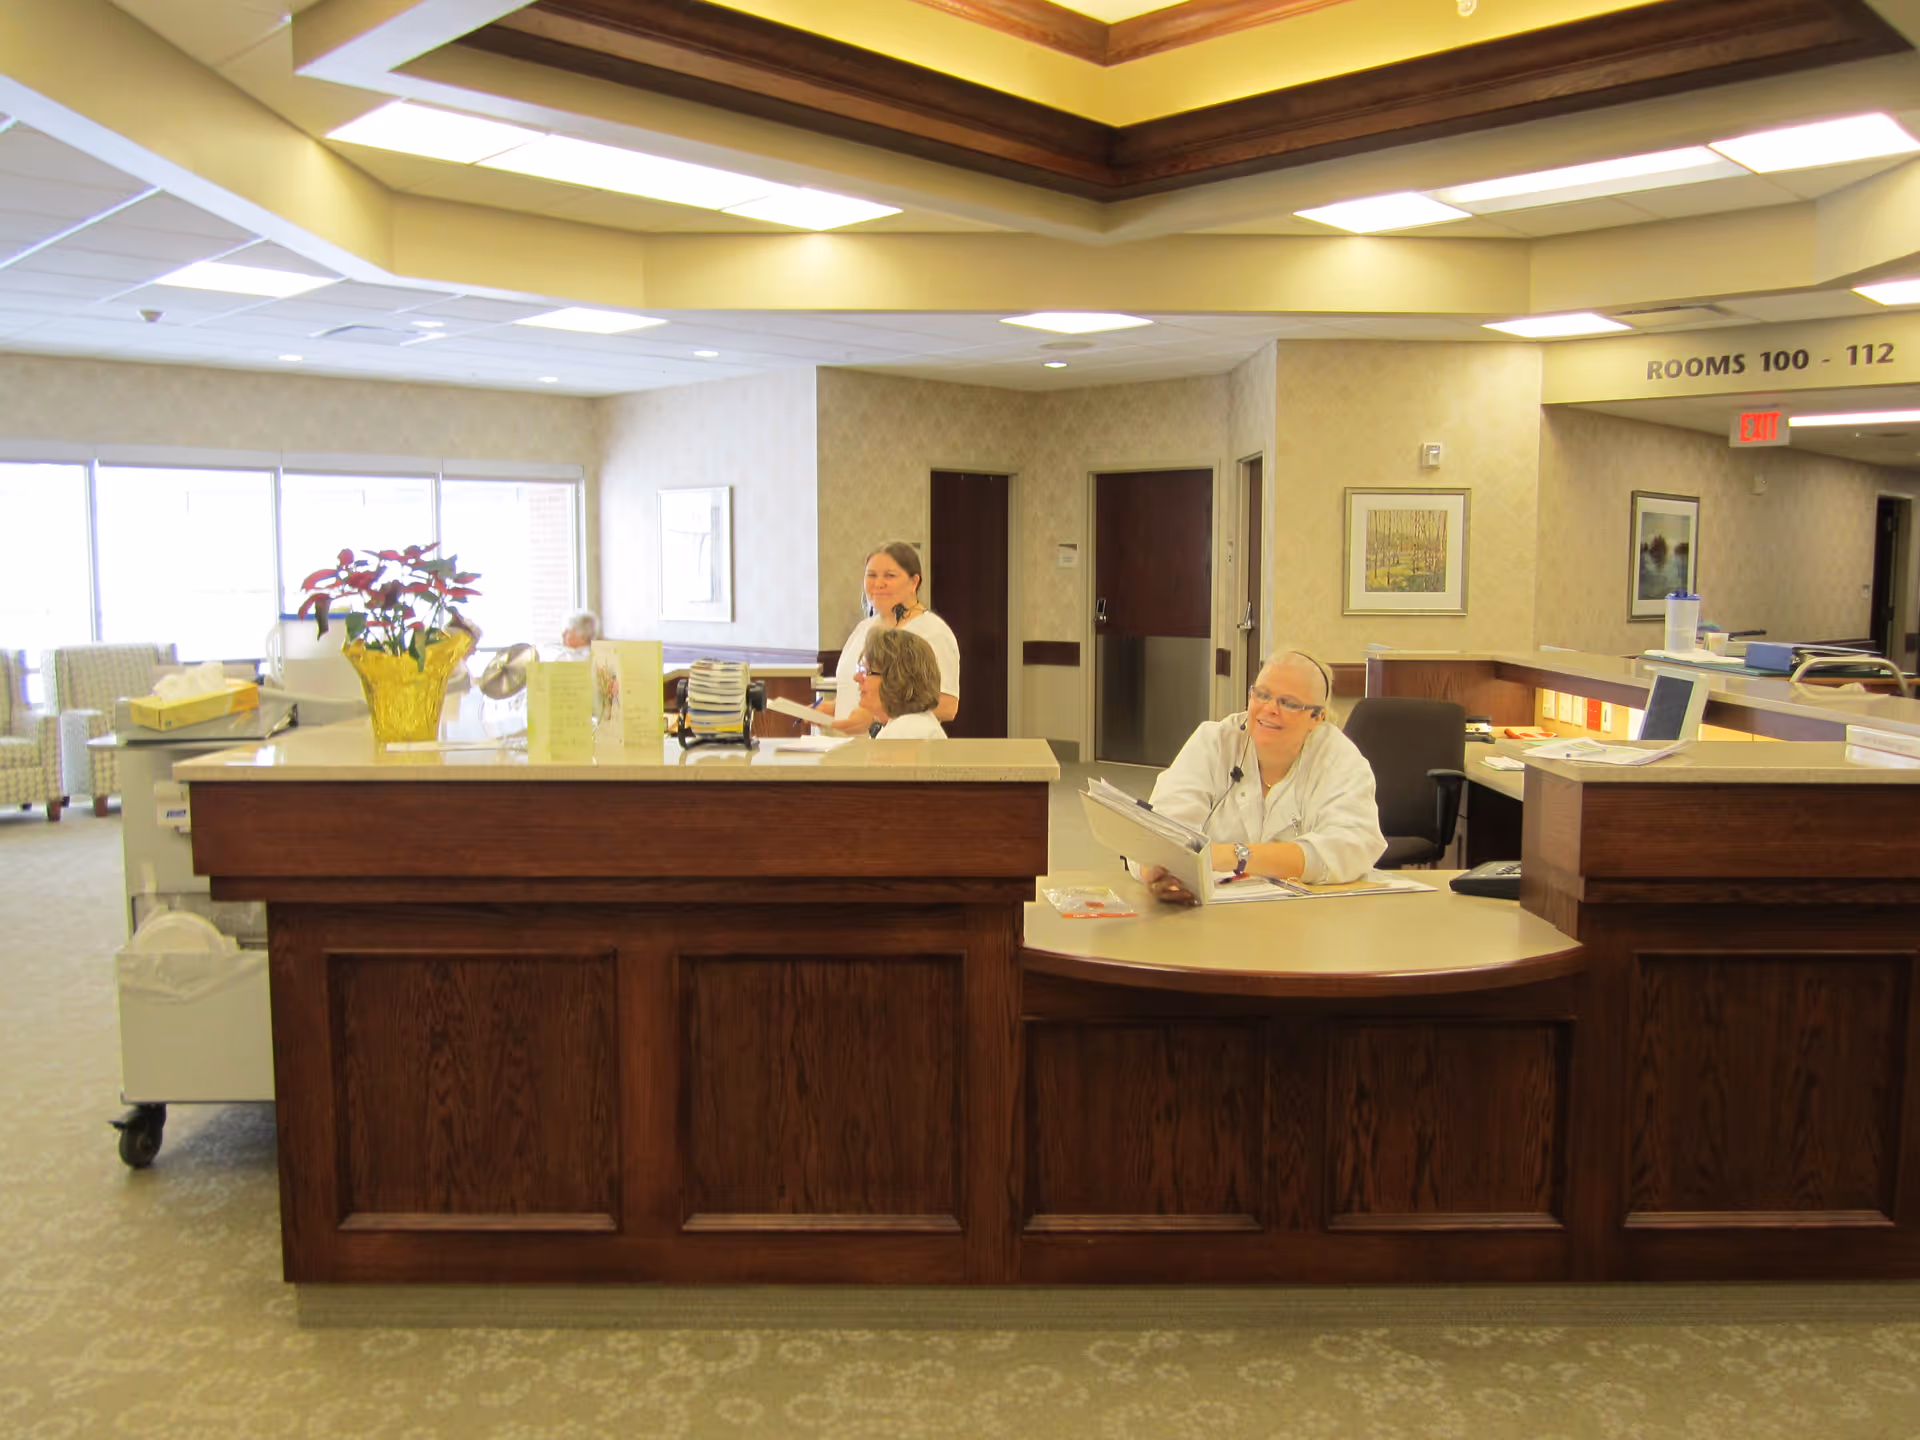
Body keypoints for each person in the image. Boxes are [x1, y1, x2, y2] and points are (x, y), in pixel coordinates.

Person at [1137, 648, 1385, 905]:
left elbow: (1350, 846)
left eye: (1288, 703)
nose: (1269, 709)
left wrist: (1235, 856)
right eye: (1262, 695)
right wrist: (1156, 873)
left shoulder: (1338, 757)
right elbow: (1160, 830)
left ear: (1316, 717)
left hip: (1306, 919)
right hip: (1205, 913)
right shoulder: (1214, 742)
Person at [813, 542, 959, 735]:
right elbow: (857, 694)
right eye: (871, 575)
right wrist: (830, 709)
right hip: (845, 750)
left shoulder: (932, 631)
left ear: (913, 582)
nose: (878, 583)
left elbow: (948, 706)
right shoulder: (864, 629)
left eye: (890, 576)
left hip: (895, 747)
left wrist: (873, 715)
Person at [857, 628, 948, 739]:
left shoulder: (904, 732)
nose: (857, 678)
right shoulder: (914, 723)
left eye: (867, 672)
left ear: (896, 679)